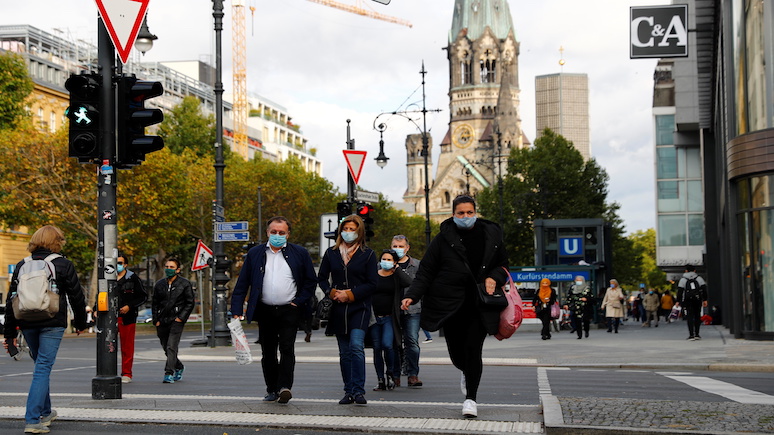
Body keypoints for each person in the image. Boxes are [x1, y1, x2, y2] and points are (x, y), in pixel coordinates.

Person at [401, 195, 508, 419]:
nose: (466, 217)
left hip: (479, 304)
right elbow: (426, 272)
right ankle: (465, 370)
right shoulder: (442, 239)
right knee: (457, 353)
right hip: (449, 304)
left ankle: (471, 399)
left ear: (475, 212)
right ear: (453, 214)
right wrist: (412, 296)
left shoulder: (491, 234)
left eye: (470, 213)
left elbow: (503, 265)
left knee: (473, 349)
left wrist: (494, 277)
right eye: (461, 213)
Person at [3, 225, 88, 434]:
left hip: (27, 321)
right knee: (42, 368)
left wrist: (10, 334)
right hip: (52, 320)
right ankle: (32, 420)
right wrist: (80, 323)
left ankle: (47, 411)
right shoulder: (63, 264)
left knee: (41, 365)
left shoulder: (23, 264)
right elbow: (76, 297)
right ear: (56, 241)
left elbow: (11, 300)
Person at [231, 216, 317, 404]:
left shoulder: (300, 253)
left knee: (287, 348)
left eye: (281, 232)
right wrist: (236, 308)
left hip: (289, 309)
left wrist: (299, 301)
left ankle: (284, 387)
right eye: (274, 232)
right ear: (267, 233)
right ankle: (272, 389)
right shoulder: (255, 254)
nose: (277, 235)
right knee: (268, 351)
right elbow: (243, 282)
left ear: (288, 234)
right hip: (265, 310)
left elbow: (311, 280)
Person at [318, 214, 378, 406]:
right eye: (346, 229)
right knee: (344, 352)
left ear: (359, 232)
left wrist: (350, 294)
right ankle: (349, 391)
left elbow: (372, 283)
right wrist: (331, 292)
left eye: (353, 229)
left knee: (356, 347)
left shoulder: (368, 254)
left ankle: (359, 391)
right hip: (337, 308)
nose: (348, 233)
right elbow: (321, 278)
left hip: (359, 307)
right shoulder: (331, 253)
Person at [370, 249, 411, 391]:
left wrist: (398, 269)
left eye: (389, 260)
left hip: (389, 318)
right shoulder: (373, 275)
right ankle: (380, 379)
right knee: (376, 348)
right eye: (384, 259)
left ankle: (391, 374)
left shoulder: (396, 276)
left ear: (394, 262)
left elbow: (409, 282)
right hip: (374, 318)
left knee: (388, 345)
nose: (385, 262)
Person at [152, 257, 195, 384]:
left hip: (176, 320)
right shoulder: (160, 284)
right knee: (166, 347)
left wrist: (180, 318)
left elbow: (189, 302)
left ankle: (169, 373)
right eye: (167, 267)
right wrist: (156, 319)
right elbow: (155, 303)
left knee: (172, 346)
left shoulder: (184, 284)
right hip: (162, 320)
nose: (168, 269)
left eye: (171, 267)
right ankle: (179, 366)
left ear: (178, 270)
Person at [391, 234, 423, 388]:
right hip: (392, 310)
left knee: (412, 341)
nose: (398, 249)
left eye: (401, 246)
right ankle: (395, 375)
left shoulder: (416, 265)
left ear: (407, 247)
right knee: (394, 343)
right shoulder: (386, 264)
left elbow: (422, 286)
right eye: (395, 246)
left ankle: (413, 374)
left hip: (413, 310)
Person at [113, 252, 147, 383]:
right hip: (110, 317)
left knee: (127, 346)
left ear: (125, 265)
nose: (118, 266)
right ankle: (110, 371)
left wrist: (129, 306)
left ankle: (127, 373)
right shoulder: (108, 277)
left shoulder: (132, 278)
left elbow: (142, 296)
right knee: (109, 346)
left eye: (120, 263)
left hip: (127, 317)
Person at [676, 264, 708, 340]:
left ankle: (691, 335)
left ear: (686, 271)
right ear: (694, 271)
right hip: (697, 300)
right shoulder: (699, 278)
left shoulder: (683, 279)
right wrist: (705, 299)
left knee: (689, 316)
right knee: (697, 316)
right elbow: (704, 289)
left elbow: (680, 291)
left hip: (687, 300)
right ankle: (697, 334)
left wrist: (678, 301)